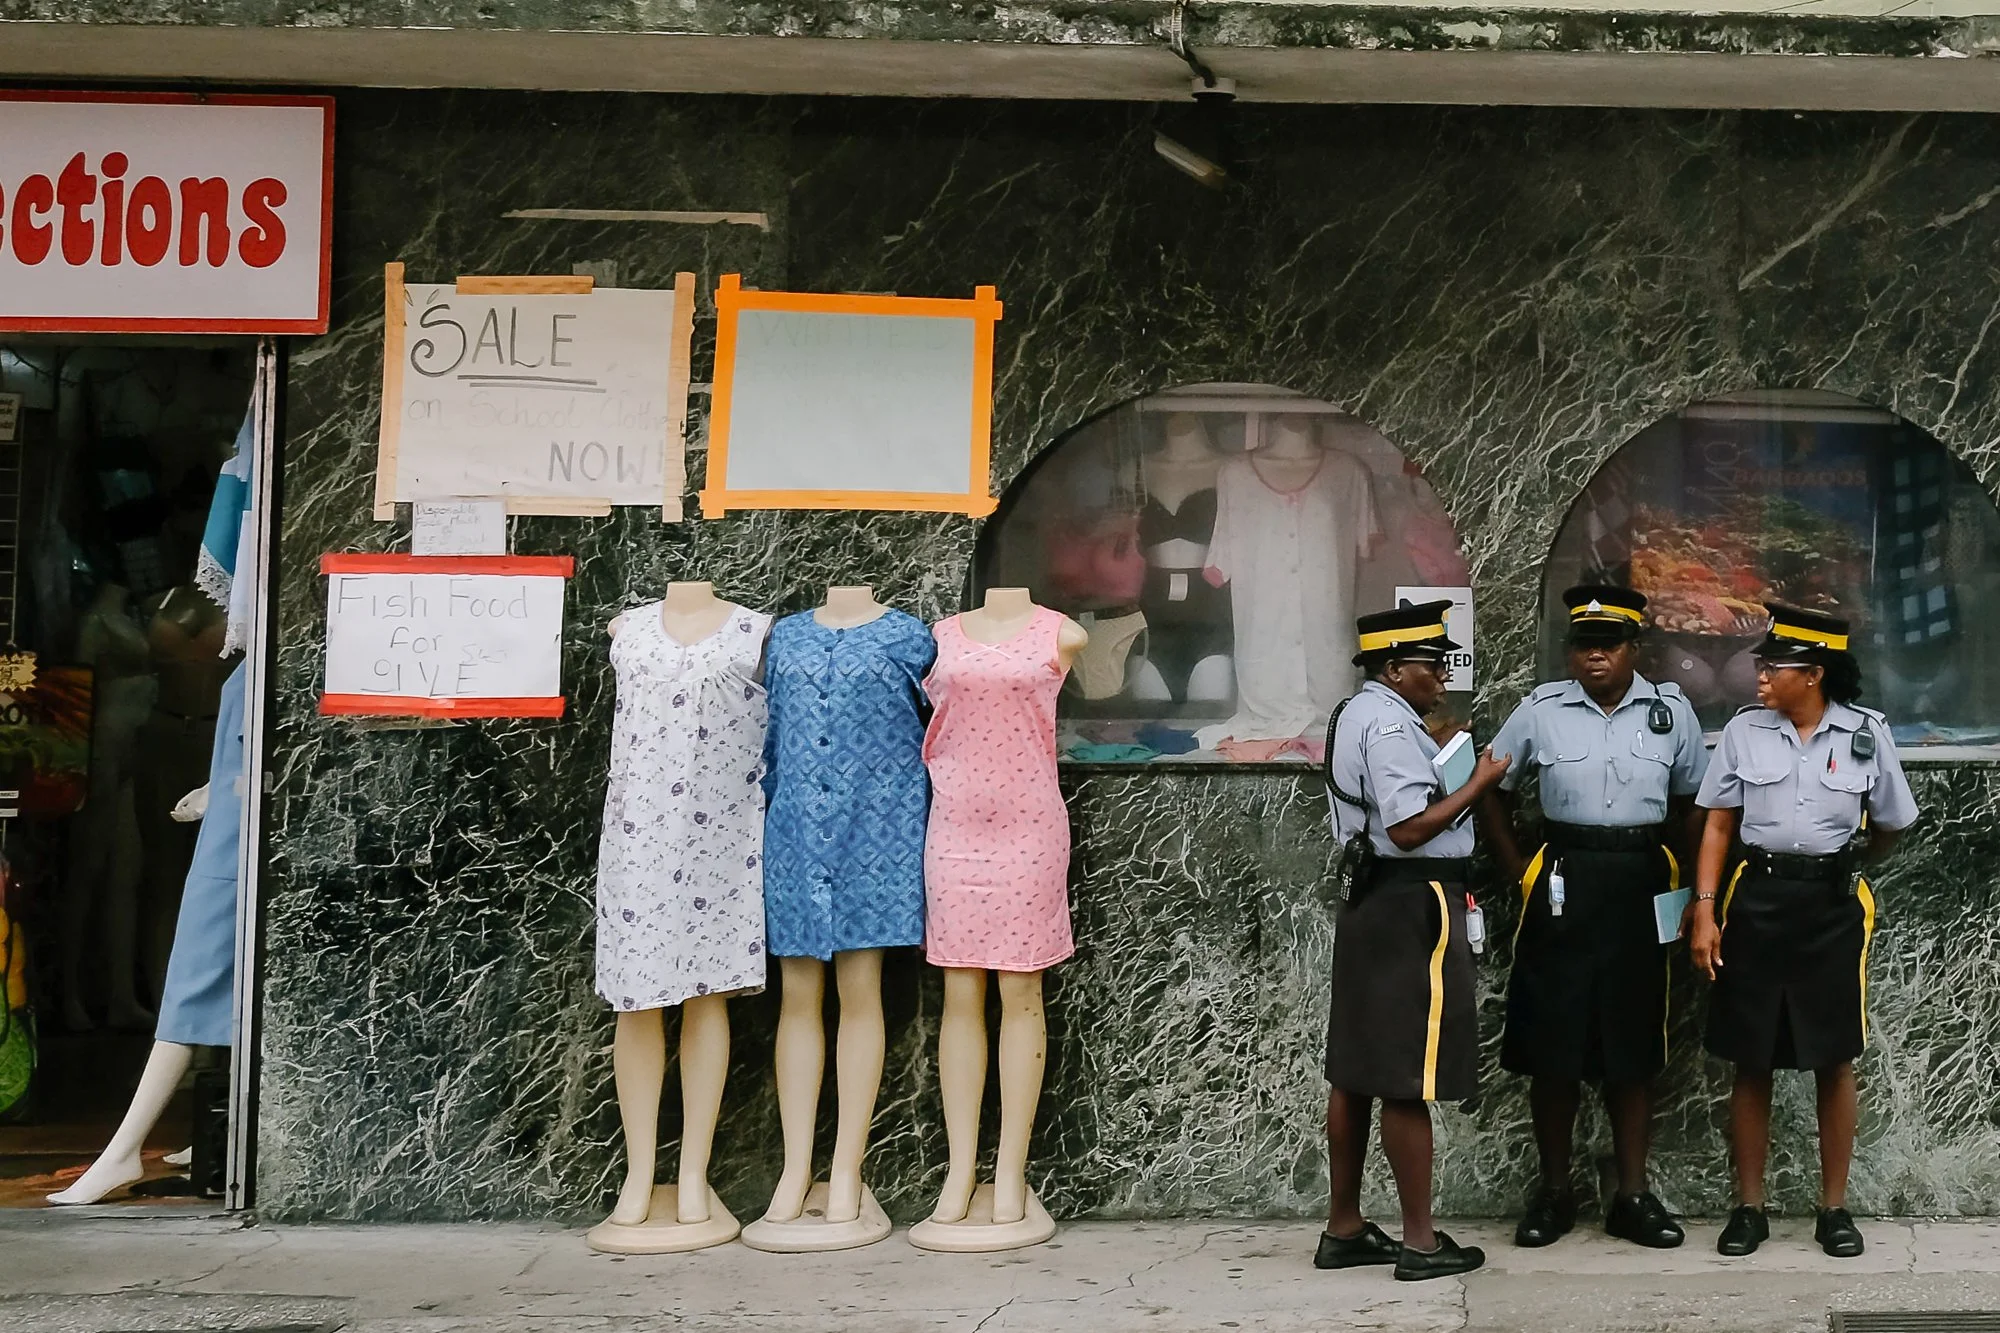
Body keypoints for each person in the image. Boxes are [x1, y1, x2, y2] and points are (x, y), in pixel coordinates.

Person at [1688, 605, 1918, 1259]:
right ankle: (1749, 1206)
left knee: (1834, 1056)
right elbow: (1717, 825)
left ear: (1812, 674)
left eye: (1772, 666)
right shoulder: (1744, 731)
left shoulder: (1866, 733)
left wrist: (1849, 863)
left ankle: (1834, 1208)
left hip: (1831, 906)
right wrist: (1705, 910)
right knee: (1750, 1053)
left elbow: (1893, 821)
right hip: (1756, 899)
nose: (1758, 674)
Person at [1485, 586, 1706, 1250]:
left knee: (1632, 1046)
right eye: (1584, 644)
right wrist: (1517, 869)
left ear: (1634, 648)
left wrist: (1688, 880)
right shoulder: (1540, 711)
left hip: (1640, 882)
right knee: (1555, 1045)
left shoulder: (1672, 711)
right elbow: (1489, 790)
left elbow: (1697, 799)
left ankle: (1631, 1195)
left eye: (1609, 643)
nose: (1595, 655)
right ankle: (1555, 1192)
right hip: (1561, 878)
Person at [1316, 600, 1512, 1281]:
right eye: (1433, 664)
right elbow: (1406, 828)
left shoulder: (1360, 713)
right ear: (1395, 668)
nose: (1442, 675)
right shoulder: (1392, 728)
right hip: (1411, 899)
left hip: (1370, 901)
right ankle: (1421, 1242)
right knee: (1405, 1073)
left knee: (1355, 1069)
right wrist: (1481, 781)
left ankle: (1343, 1225)